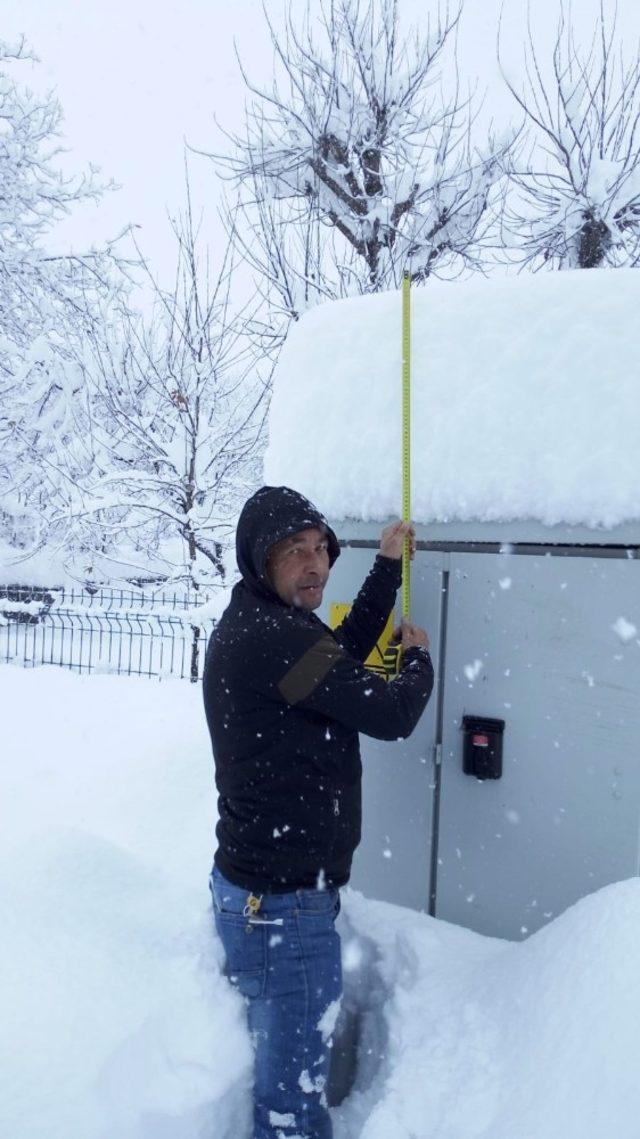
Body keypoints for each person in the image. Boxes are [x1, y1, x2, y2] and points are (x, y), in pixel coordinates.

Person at [203, 485, 434, 1139]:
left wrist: (387, 567)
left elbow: (338, 657)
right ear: (260, 560)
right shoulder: (273, 639)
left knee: (283, 1073)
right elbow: (390, 712)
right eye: (293, 552)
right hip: (284, 908)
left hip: (263, 891)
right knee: (292, 1102)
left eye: (319, 549)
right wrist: (415, 659)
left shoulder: (267, 625)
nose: (313, 565)